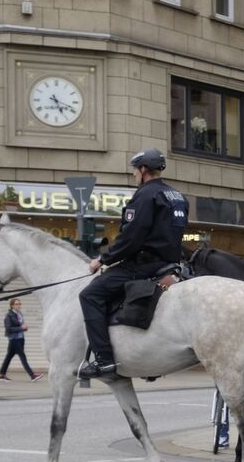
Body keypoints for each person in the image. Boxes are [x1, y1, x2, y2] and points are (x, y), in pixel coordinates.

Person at [77, 148, 188, 380]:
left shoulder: (145, 195)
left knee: (90, 295)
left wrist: (103, 259)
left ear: (144, 169)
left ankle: (104, 360)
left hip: (143, 265)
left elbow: (131, 237)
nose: (134, 175)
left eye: (135, 170)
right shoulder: (178, 196)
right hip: (170, 264)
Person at [0, 299, 43, 382]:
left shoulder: (19, 314)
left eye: (19, 304)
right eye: (16, 304)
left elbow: (20, 325)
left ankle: (2, 374)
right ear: (12, 306)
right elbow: (8, 329)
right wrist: (21, 328)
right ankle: (32, 375)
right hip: (14, 339)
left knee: (9, 357)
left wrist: (24, 328)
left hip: (20, 338)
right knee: (23, 357)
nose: (18, 305)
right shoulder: (9, 315)